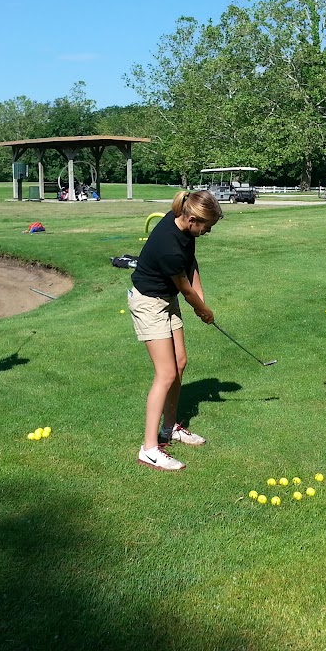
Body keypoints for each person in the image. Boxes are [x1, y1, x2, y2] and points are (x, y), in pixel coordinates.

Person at [128, 190, 223, 470]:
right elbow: (184, 287)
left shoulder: (184, 228)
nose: (207, 232)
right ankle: (149, 448)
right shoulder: (168, 244)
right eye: (206, 226)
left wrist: (202, 299)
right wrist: (202, 310)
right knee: (166, 372)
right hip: (149, 303)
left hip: (166, 299)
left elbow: (191, 265)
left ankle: (170, 429)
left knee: (180, 363)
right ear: (193, 218)